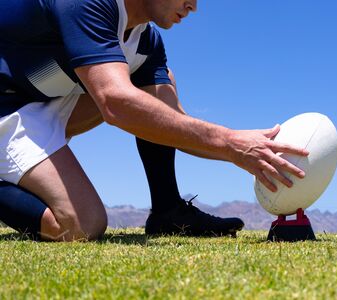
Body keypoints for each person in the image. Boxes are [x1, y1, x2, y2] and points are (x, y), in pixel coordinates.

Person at [0, 0, 308, 241]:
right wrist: (230, 143)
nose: (193, 6)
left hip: (46, 100)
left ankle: (167, 211)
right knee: (80, 223)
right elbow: (115, 103)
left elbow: (173, 121)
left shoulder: (148, 42)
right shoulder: (88, 3)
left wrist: (251, 151)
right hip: (7, 105)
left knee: (156, 91)